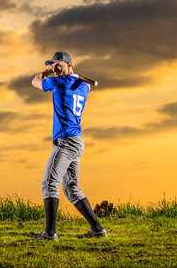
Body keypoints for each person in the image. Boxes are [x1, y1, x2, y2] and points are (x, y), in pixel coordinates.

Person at [31, 51, 107, 241]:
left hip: (65, 141)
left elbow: (35, 81)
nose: (56, 69)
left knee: (49, 184)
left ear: (69, 65)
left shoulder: (58, 83)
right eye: (53, 65)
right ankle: (98, 231)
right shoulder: (83, 86)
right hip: (77, 140)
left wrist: (46, 71)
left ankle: (49, 234)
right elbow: (88, 84)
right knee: (71, 188)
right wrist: (66, 72)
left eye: (59, 65)